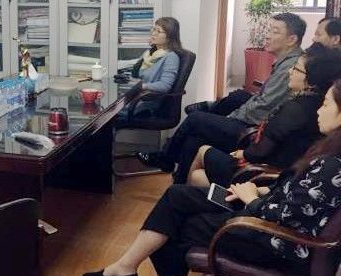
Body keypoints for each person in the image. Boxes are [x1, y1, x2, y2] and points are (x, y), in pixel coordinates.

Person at [82, 79, 341, 276]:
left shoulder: (333, 166)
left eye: (326, 104)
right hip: (262, 211)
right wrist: (260, 191)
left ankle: (129, 271)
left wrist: (252, 198)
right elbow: (296, 196)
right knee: (177, 195)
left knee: (173, 226)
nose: (318, 110)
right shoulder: (330, 151)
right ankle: (126, 267)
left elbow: (289, 217)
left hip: (268, 238)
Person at [138, 12, 305, 183]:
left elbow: (263, 106)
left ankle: (165, 158)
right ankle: (179, 182)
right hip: (257, 125)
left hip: (256, 132)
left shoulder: (290, 68)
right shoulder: (285, 62)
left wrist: (232, 117)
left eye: (275, 31)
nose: (267, 35)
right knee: (197, 136)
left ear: (291, 39)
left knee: (196, 119)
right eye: (269, 30)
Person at [188, 45, 341, 188]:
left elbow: (262, 149)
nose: (290, 71)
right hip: (270, 166)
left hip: (262, 172)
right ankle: (184, 190)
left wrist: (244, 153)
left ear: (311, 80)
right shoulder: (310, 102)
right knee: (196, 154)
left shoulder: (296, 109)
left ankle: (182, 190)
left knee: (202, 148)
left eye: (296, 69)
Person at [113, 17, 181, 126]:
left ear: (169, 36)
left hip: (150, 103)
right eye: (153, 29)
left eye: (158, 31)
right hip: (137, 99)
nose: (153, 33)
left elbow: (165, 85)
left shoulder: (171, 57)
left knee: (108, 117)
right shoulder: (150, 54)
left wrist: (142, 86)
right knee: (107, 112)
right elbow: (137, 75)